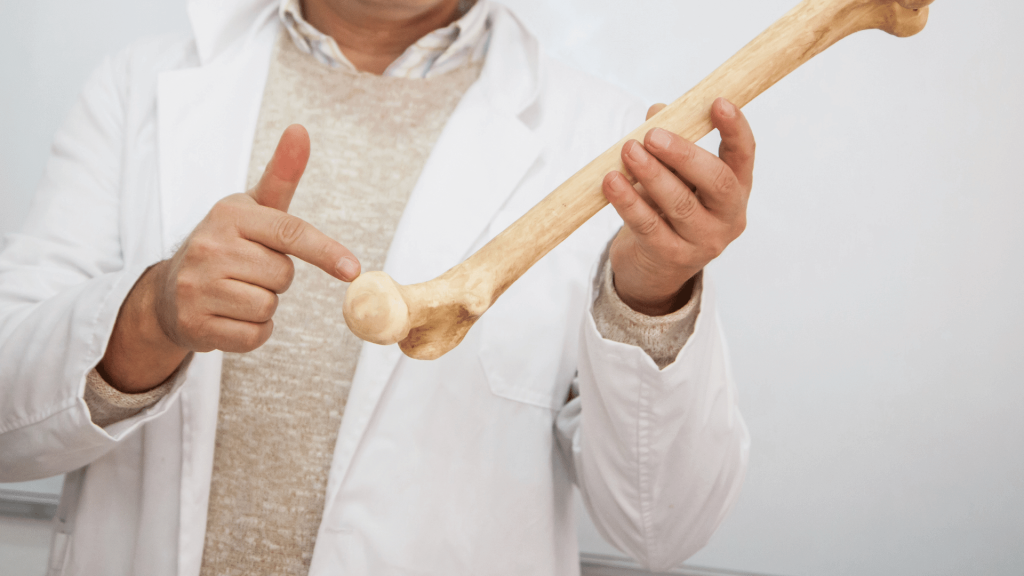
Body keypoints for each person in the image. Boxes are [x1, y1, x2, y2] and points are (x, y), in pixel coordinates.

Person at [0, 0, 754, 574]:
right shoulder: (137, 89)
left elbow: (661, 527)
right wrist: (151, 316)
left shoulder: (610, 150)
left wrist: (653, 297)